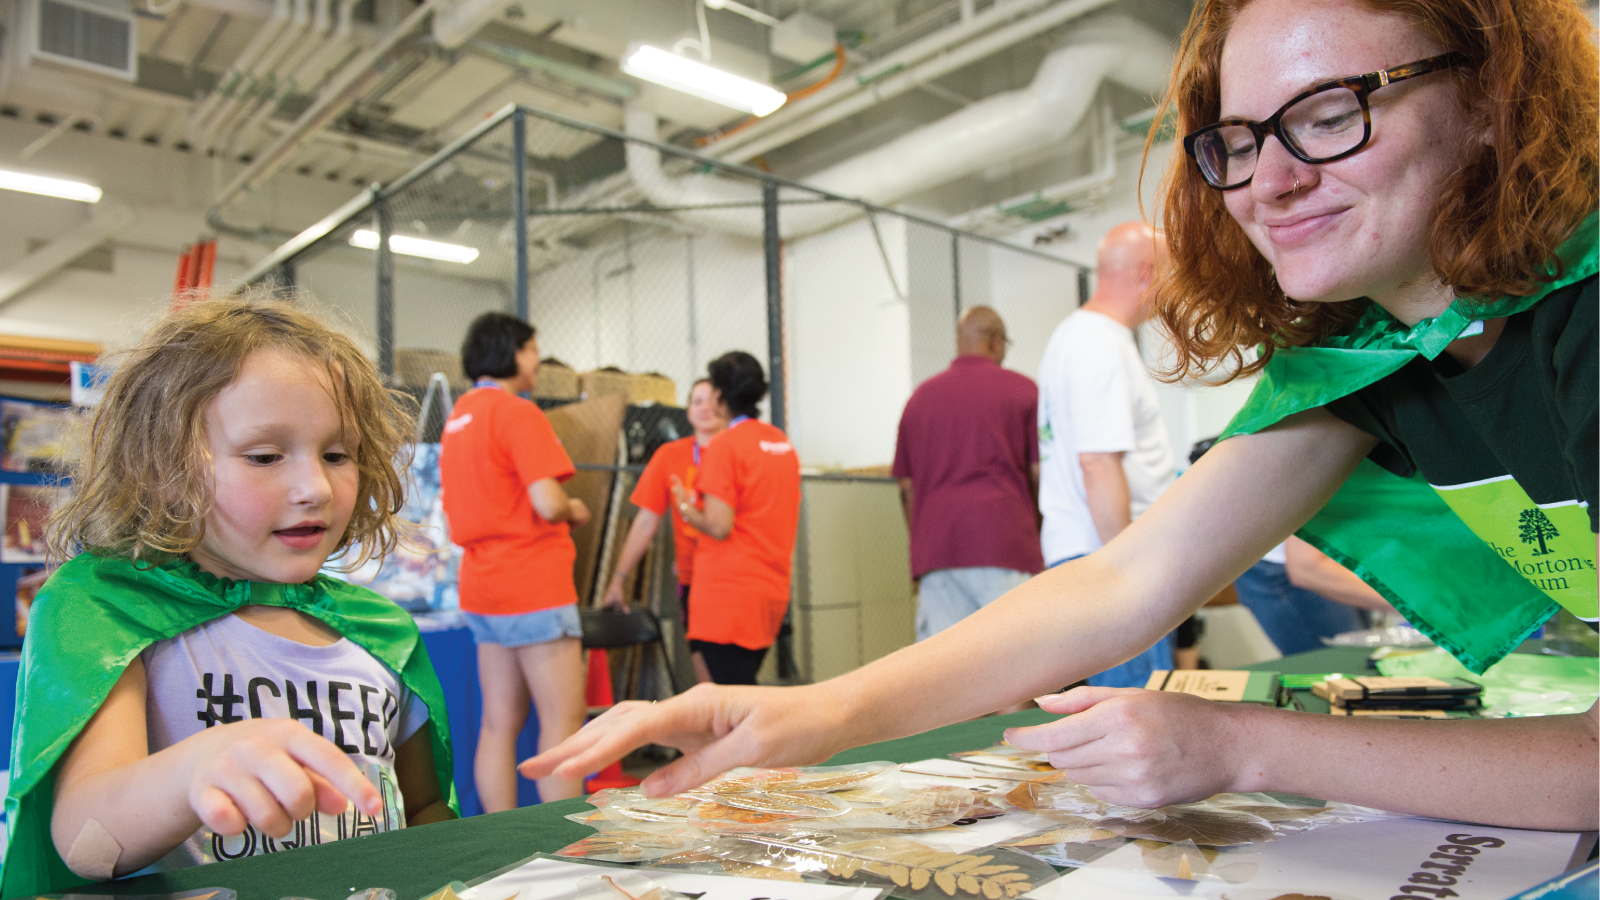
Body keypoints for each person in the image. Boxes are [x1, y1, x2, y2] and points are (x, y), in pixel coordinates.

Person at [525, 0, 1600, 832]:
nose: (1268, 181)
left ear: (1499, 96)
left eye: (1328, 115)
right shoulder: (1370, 351)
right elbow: (1123, 577)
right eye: (1234, 140)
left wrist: (1238, 747)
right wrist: (814, 713)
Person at [8, 297, 456, 898]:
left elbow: (424, 808)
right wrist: (193, 768)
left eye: (336, 454)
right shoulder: (108, 609)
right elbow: (87, 841)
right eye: (265, 456)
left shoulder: (379, 631)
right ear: (162, 469)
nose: (314, 487)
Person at [439, 312, 590, 809]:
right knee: (562, 722)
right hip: (533, 585)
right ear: (513, 351)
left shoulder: (459, 418)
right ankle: (566, 842)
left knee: (498, 723)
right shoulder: (518, 413)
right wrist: (575, 508)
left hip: (483, 587)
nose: (537, 359)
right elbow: (547, 502)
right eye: (532, 348)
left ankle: (502, 840)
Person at [1035, 222, 1177, 686]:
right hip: (1111, 561)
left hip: (1089, 555)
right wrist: (1128, 574)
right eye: (1172, 273)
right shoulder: (1099, 344)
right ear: (1146, 272)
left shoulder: (1075, 337)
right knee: (1136, 710)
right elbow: (1097, 464)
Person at [892, 306, 1042, 642]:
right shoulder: (1024, 391)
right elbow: (1038, 474)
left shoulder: (918, 399)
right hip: (1006, 546)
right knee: (1016, 662)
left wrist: (920, 548)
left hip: (937, 553)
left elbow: (906, 487)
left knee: (943, 671)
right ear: (997, 341)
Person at [661, 351, 800, 686]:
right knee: (739, 698)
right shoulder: (781, 443)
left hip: (726, 600)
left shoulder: (726, 446)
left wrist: (684, 506)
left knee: (733, 708)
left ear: (721, 397)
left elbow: (719, 525)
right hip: (769, 594)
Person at [602, 378, 731, 683]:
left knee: (737, 680)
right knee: (710, 683)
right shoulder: (670, 456)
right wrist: (618, 578)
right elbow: (645, 521)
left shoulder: (742, 454)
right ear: (687, 411)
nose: (706, 408)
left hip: (737, 582)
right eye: (697, 401)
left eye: (714, 400)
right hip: (693, 581)